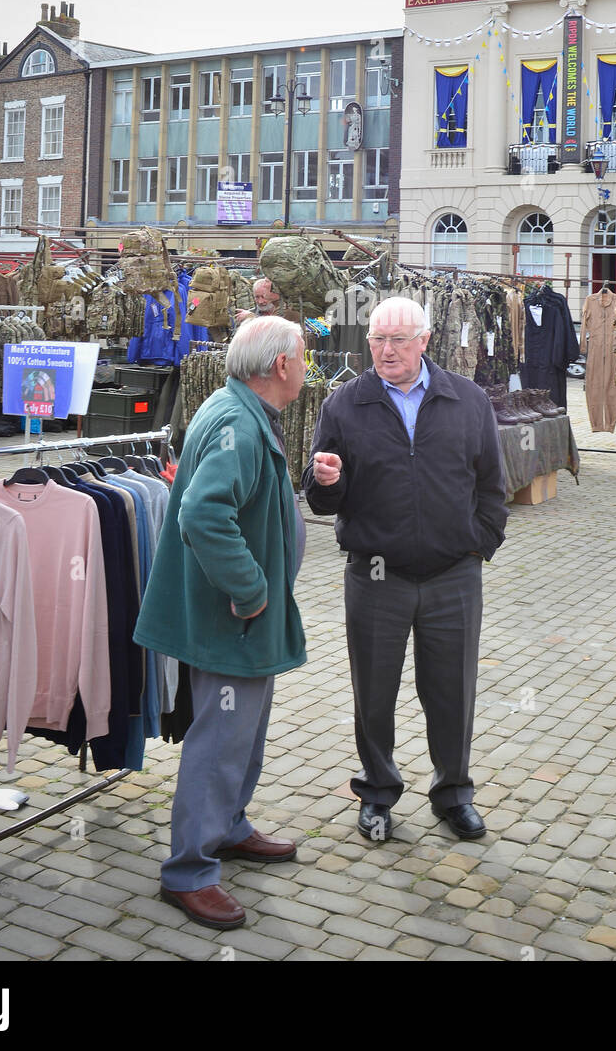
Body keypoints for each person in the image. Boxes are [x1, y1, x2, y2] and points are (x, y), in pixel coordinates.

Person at [303, 296, 507, 843]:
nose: (386, 350)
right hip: (375, 575)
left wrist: (479, 545)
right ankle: (377, 792)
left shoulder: (466, 400)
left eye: (397, 340)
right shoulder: (345, 405)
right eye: (377, 340)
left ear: (424, 341)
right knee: (373, 693)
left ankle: (453, 794)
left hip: (453, 575)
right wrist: (323, 481)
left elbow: (492, 483)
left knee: (452, 691)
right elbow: (325, 498)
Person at [133, 316, 308, 929]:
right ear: (281, 365)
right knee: (220, 743)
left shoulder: (237, 408)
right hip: (230, 619)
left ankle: (228, 826)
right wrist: (253, 591)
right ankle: (189, 871)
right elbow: (205, 516)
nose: (308, 365)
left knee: (243, 735)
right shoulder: (238, 420)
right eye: (303, 355)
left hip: (238, 621)